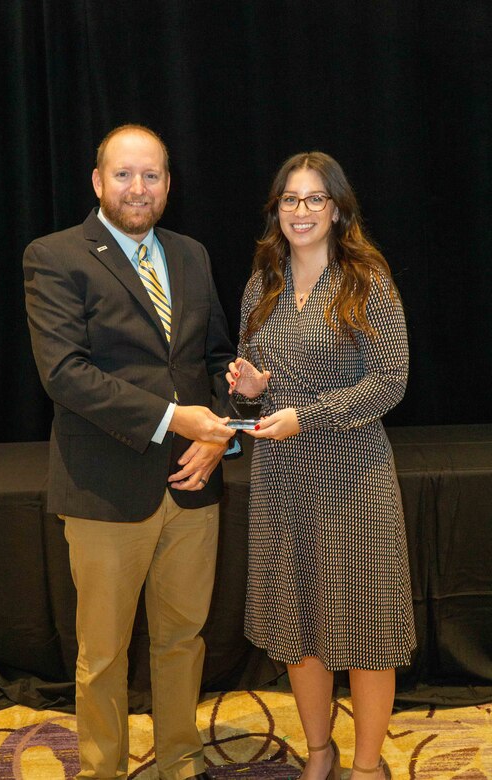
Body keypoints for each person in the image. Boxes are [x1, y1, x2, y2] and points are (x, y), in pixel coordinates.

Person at [23, 124, 237, 780]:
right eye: (124, 174)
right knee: (104, 657)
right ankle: (102, 770)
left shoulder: (193, 254)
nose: (138, 188)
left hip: (193, 488)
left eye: (152, 176)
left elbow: (216, 360)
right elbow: (64, 373)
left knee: (181, 642)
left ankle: (179, 763)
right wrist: (178, 420)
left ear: (169, 185)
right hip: (105, 490)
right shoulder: (55, 255)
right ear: (97, 182)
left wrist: (220, 430)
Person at [226, 152, 415, 780]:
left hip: (355, 477)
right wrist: (250, 388)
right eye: (289, 199)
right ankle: (318, 752)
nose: (300, 211)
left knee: (363, 625)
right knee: (299, 620)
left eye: (313, 199)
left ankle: (364, 765)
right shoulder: (263, 281)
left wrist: (309, 416)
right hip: (282, 480)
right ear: (275, 210)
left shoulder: (368, 280)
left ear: (337, 208)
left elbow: (391, 382)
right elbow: (254, 374)